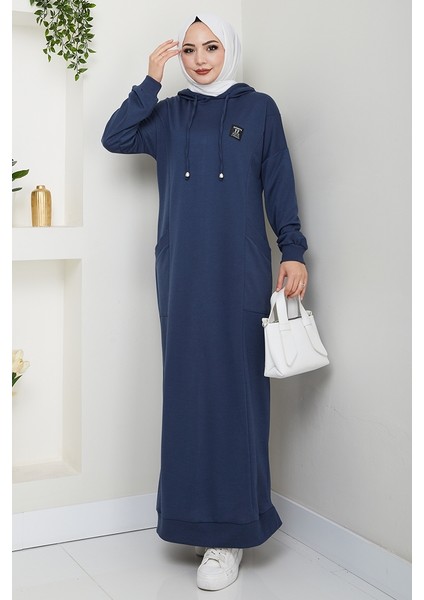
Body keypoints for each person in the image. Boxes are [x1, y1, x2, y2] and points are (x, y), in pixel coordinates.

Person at [102, 12, 308, 592]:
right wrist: (150, 80)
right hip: (181, 274)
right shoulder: (169, 114)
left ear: (228, 49)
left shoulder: (259, 109)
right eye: (189, 50)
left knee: (237, 396)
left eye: (211, 47)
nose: (199, 60)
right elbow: (115, 137)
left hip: (240, 272)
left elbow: (279, 181)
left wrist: (293, 249)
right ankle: (195, 521)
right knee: (188, 395)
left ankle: (231, 534)